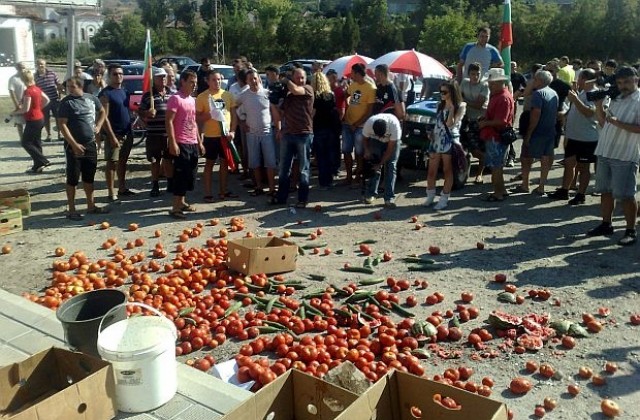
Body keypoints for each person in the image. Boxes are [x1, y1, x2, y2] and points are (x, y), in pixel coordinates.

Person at [587, 66, 640, 246]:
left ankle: (630, 230)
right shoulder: (615, 98)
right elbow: (603, 122)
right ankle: (606, 224)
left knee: (626, 195)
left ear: (636, 80)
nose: (623, 85)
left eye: (626, 82)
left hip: (625, 155)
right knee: (605, 191)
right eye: (619, 82)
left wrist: (619, 123)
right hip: (604, 151)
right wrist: (598, 105)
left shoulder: (639, 100)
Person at [57, 76, 108, 220]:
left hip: (90, 143)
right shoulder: (66, 103)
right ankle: (71, 209)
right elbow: (62, 125)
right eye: (67, 87)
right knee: (73, 177)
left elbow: (102, 111)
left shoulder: (91, 99)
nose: (69, 89)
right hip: (73, 145)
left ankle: (91, 205)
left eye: (72, 86)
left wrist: (98, 125)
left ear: (80, 86)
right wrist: (73, 144)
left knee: (89, 176)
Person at [548, 68, 599, 205]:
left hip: (587, 138)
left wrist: (575, 99)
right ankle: (564, 190)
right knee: (569, 163)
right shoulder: (581, 92)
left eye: (580, 78)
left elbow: (589, 113)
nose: (577, 81)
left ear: (586, 79)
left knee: (583, 167)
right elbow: (575, 109)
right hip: (573, 137)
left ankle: (581, 194)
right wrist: (564, 115)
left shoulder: (595, 94)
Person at [270, 67, 314, 207]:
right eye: (297, 77)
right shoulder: (288, 95)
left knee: (303, 169)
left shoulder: (307, 89)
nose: (300, 80)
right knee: (283, 169)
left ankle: (302, 199)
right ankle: (281, 198)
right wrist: (272, 103)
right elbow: (279, 114)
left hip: (304, 133)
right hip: (288, 134)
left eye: (302, 77)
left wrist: (285, 80)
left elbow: (296, 90)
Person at [166, 70, 203, 219]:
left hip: (192, 141)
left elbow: (193, 122)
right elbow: (168, 121)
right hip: (181, 142)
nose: (194, 85)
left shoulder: (192, 100)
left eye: (195, 83)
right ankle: (175, 208)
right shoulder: (175, 99)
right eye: (191, 82)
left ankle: (182, 202)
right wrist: (173, 142)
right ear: (183, 82)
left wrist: (200, 141)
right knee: (180, 175)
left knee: (190, 175)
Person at [196, 69, 237, 202]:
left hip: (225, 136)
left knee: (224, 164)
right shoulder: (202, 97)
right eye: (213, 80)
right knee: (209, 164)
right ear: (207, 81)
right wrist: (206, 117)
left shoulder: (228, 94)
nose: (217, 82)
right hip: (210, 136)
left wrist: (233, 131)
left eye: (219, 79)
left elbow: (233, 114)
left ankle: (223, 191)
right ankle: (208, 193)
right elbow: (197, 118)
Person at [515, 70, 558, 195]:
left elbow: (535, 114)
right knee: (545, 159)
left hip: (537, 132)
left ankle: (525, 184)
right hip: (549, 130)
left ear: (539, 80)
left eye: (535, 79)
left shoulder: (538, 94)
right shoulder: (553, 93)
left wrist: (529, 133)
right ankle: (541, 186)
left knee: (526, 157)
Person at [425, 81, 466, 210]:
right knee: (431, 171)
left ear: (452, 93)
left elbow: (450, 124)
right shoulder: (440, 105)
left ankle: (444, 198)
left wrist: (451, 107)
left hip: (448, 140)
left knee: (447, 170)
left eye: (445, 92)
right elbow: (436, 123)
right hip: (436, 140)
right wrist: (430, 133)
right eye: (440, 91)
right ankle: (430, 196)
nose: (442, 94)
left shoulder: (460, 106)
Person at [236, 68, 277, 196]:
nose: (253, 81)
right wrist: (241, 123)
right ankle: (258, 187)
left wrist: (278, 127)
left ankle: (271, 188)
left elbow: (275, 112)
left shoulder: (267, 93)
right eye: (250, 79)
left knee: (270, 162)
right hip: (251, 133)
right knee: (254, 162)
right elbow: (234, 108)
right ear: (247, 81)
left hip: (267, 133)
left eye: (255, 78)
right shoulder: (243, 95)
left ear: (259, 78)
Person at [478, 68, 515, 202]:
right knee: (497, 165)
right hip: (495, 135)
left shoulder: (503, 98)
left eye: (492, 83)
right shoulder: (499, 95)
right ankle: (502, 190)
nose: (490, 85)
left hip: (496, 137)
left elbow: (502, 121)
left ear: (500, 82)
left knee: (496, 167)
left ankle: (497, 193)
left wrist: (485, 123)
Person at [99, 64, 134, 202]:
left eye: (120, 73)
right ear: (109, 76)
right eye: (115, 74)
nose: (118, 76)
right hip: (114, 135)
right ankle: (110, 192)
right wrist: (111, 136)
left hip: (127, 133)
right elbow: (104, 117)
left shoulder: (124, 92)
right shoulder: (105, 94)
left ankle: (122, 188)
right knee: (112, 163)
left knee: (123, 162)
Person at [139, 66, 173, 197]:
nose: (163, 79)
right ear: (154, 80)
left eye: (164, 76)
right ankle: (155, 185)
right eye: (160, 77)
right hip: (154, 134)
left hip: (168, 133)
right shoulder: (148, 96)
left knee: (169, 159)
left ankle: (170, 183)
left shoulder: (171, 93)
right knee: (155, 161)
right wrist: (147, 112)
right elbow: (140, 112)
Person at [343, 63, 376, 185]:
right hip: (348, 123)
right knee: (346, 150)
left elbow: (369, 111)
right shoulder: (353, 85)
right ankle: (348, 177)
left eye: (352, 73)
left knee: (359, 152)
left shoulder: (371, 88)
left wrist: (356, 124)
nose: (351, 75)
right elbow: (346, 95)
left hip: (361, 126)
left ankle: (358, 177)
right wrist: (345, 110)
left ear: (357, 73)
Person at [12, 69, 51, 173]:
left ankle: (43, 160)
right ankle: (37, 166)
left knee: (26, 142)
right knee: (36, 142)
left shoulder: (28, 91)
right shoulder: (37, 89)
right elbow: (47, 100)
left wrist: (14, 113)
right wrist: (38, 108)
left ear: (23, 79)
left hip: (33, 120)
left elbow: (26, 109)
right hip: (40, 118)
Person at [362, 113, 402, 208]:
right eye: (378, 135)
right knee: (373, 163)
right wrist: (367, 150)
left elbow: (389, 150)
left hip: (392, 143)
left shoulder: (394, 126)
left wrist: (380, 164)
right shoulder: (369, 123)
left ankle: (389, 198)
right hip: (375, 142)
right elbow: (364, 138)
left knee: (391, 166)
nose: (381, 138)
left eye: (382, 136)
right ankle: (371, 194)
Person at [311, 72, 341, 189]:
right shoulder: (331, 94)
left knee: (321, 156)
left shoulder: (314, 96)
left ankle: (323, 182)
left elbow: (312, 114)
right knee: (330, 155)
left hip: (318, 128)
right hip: (331, 128)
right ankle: (330, 179)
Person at [460, 62, 489, 183]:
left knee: (479, 150)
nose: (475, 76)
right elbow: (458, 98)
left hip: (479, 120)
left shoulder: (484, 85)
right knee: (465, 147)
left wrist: (464, 101)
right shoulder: (464, 83)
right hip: (466, 120)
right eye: (473, 74)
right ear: (469, 74)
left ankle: (479, 174)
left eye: (478, 74)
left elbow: (478, 105)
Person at [35, 58, 63, 142]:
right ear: (36, 65)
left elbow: (58, 84)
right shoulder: (35, 76)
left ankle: (60, 134)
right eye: (39, 64)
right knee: (46, 118)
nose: (40, 66)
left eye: (42, 64)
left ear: (45, 64)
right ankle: (49, 135)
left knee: (58, 117)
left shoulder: (52, 73)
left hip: (55, 99)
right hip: (43, 101)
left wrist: (61, 90)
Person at [8, 62, 26, 140]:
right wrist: (17, 104)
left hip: (29, 103)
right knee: (19, 122)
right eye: (20, 67)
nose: (22, 69)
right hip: (19, 103)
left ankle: (29, 138)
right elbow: (12, 92)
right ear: (16, 68)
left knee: (30, 121)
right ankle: (22, 138)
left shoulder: (27, 77)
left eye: (23, 67)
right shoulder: (13, 79)